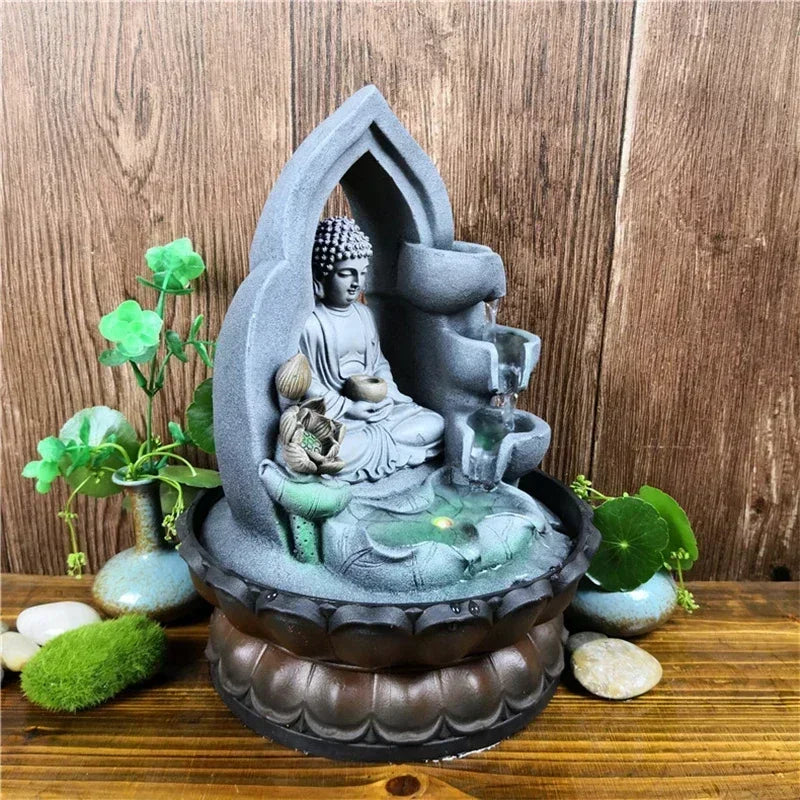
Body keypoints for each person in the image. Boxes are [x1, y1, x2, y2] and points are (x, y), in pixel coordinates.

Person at [299, 217, 444, 483]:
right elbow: (308, 383)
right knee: (320, 447)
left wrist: (386, 396)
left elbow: (379, 364)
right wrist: (348, 408)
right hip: (339, 418)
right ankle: (384, 452)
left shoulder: (364, 315)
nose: (356, 283)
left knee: (435, 423)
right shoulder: (311, 323)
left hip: (379, 411)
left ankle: (378, 450)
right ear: (320, 275)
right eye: (346, 274)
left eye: (362, 272)